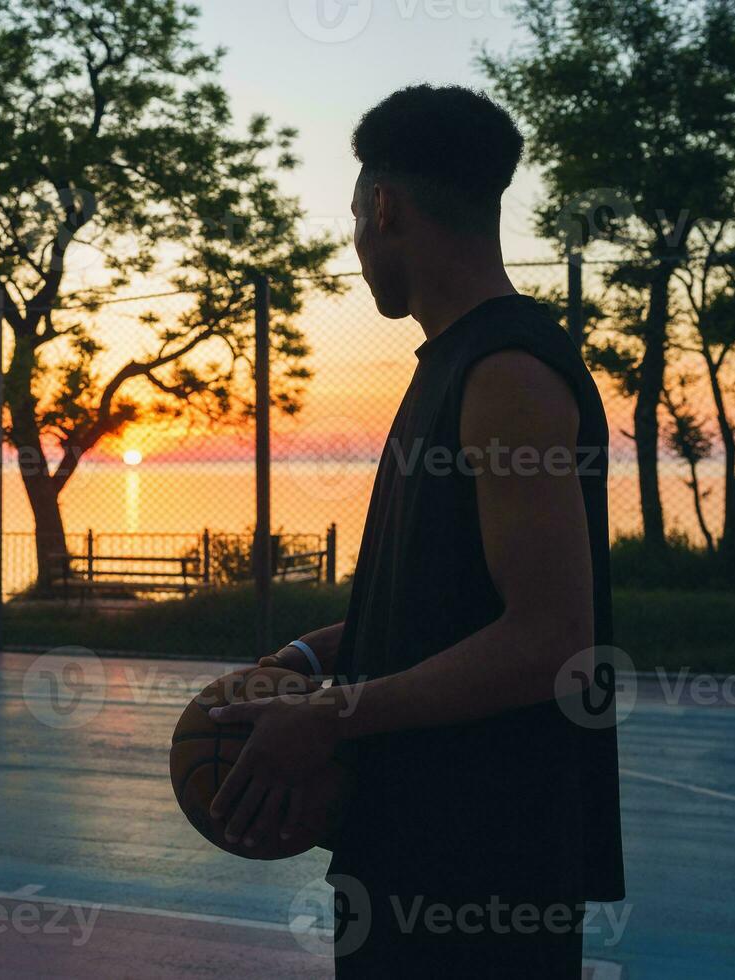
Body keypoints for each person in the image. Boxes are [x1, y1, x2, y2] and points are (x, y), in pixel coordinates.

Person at [207, 85, 625, 977]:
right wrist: (306, 663)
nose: (357, 246)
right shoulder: (458, 364)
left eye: (356, 215)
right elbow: (442, 604)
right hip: (420, 851)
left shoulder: (506, 372)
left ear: (384, 207)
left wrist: (328, 718)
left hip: (480, 872)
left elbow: (550, 639)